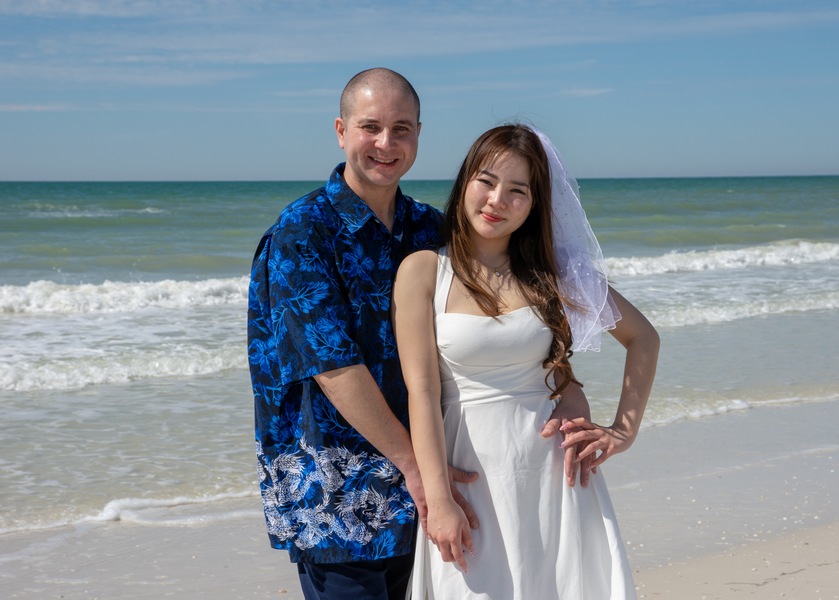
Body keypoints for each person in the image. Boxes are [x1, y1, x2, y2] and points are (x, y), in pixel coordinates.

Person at [247, 69, 594, 600]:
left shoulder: (430, 229)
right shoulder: (302, 233)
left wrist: (568, 393)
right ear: (341, 131)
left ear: (419, 135)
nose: (386, 144)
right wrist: (414, 468)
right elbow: (334, 368)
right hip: (339, 490)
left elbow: (515, 315)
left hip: (440, 485)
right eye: (371, 127)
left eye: (402, 129)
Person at [393, 124, 660, 599]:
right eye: (487, 181)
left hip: (554, 474)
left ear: (536, 204)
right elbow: (423, 393)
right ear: (465, 182)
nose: (497, 200)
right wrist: (438, 500)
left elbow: (643, 338)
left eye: (518, 191)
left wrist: (623, 431)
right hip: (469, 472)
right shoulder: (423, 271)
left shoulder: (555, 275)